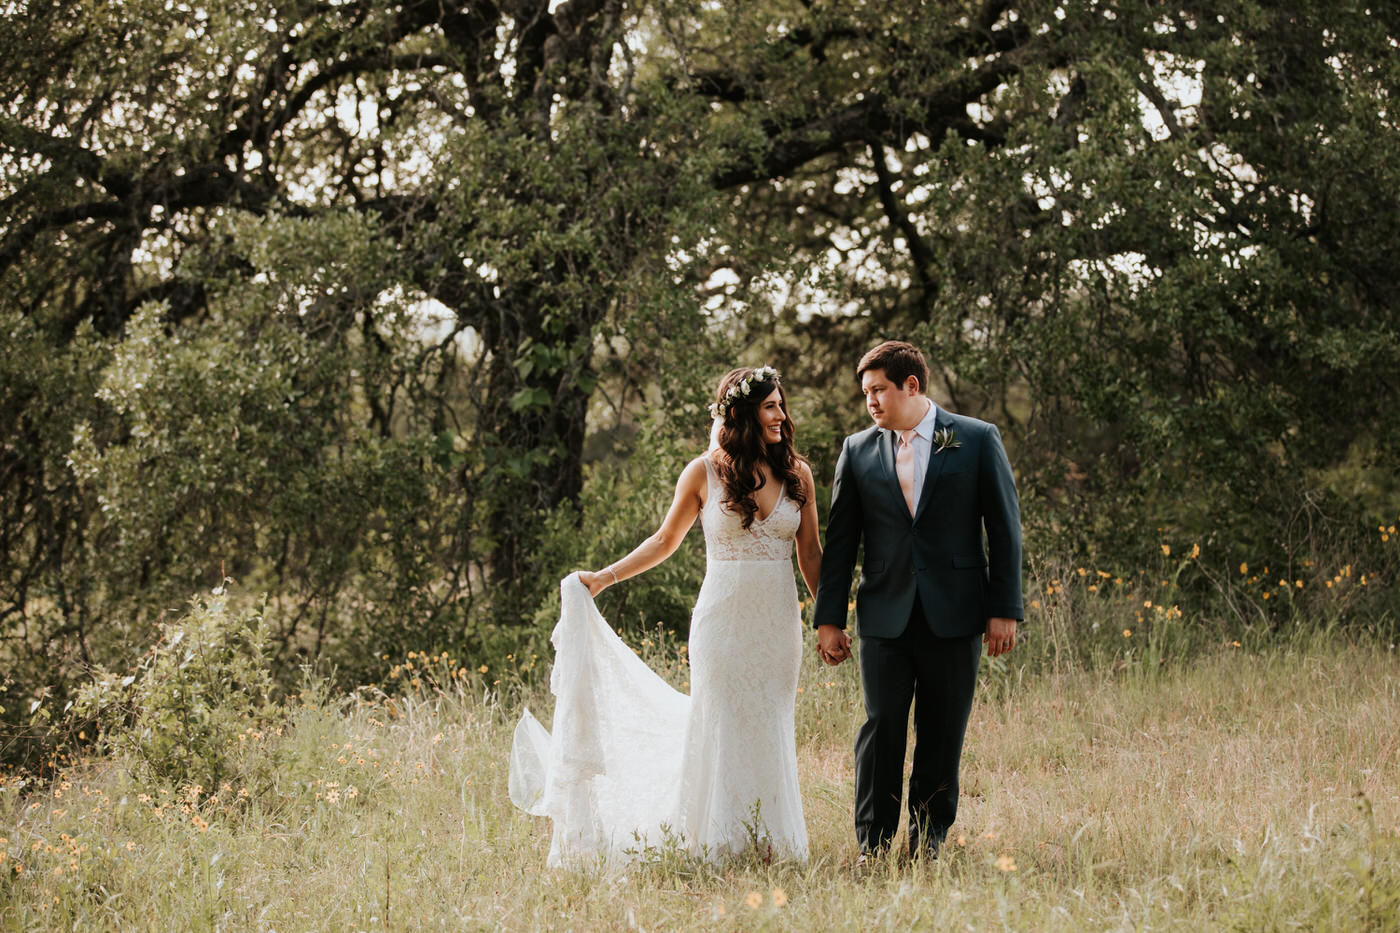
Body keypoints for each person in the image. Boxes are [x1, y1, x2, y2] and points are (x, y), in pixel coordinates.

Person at [509, 366, 822, 866]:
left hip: (777, 627)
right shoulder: (703, 472)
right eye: (770, 406)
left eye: (782, 404)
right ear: (742, 414)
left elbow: (811, 556)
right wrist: (602, 578)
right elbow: (664, 541)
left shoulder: (797, 474)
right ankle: (717, 843)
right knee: (720, 722)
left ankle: (771, 844)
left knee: (770, 722)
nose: (781, 414)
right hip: (721, 626)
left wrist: (830, 621)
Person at [812, 340, 1023, 863]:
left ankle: (927, 843)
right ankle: (874, 846)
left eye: (879, 390)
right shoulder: (856, 450)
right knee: (880, 729)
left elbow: (1004, 528)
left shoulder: (974, 439)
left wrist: (1004, 608)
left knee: (941, 731)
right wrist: (829, 620)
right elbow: (840, 544)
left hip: (956, 613)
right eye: (866, 393)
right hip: (884, 614)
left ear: (912, 385)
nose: (871, 402)